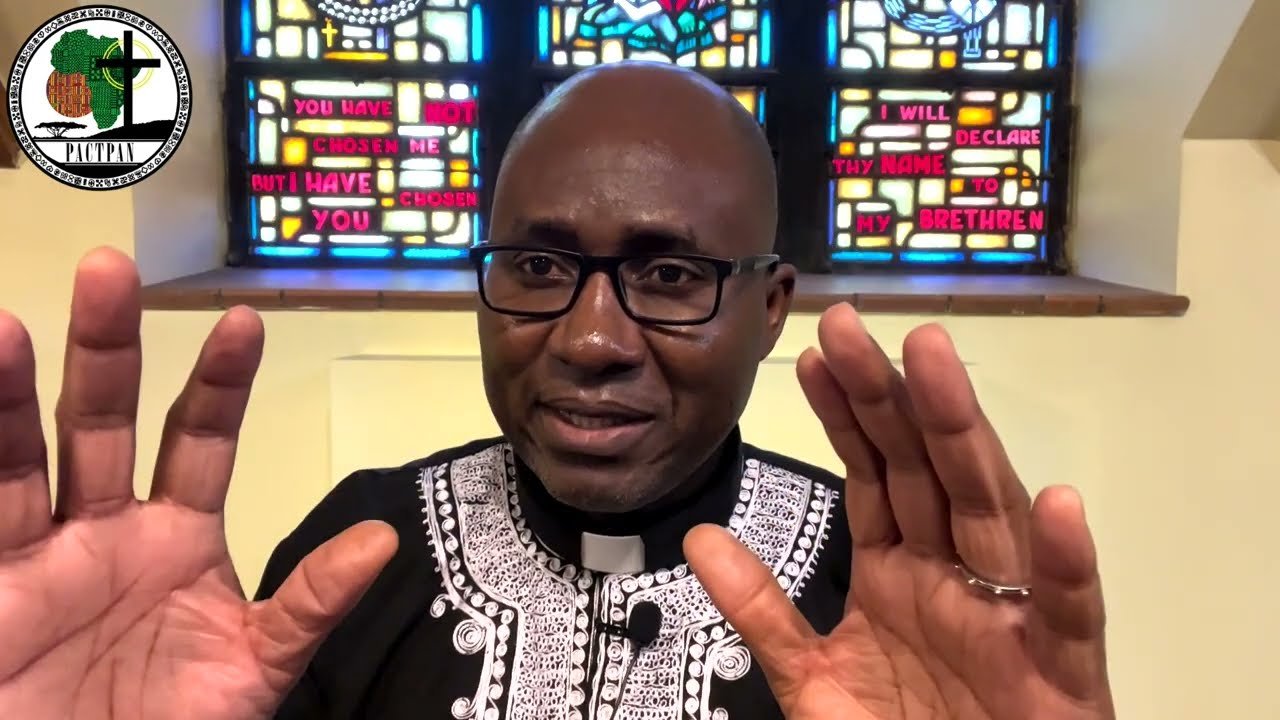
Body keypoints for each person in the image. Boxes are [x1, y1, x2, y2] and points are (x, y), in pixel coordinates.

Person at [0, 62, 1115, 719]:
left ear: (771, 306)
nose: (590, 338)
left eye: (669, 276)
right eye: (537, 265)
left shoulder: (886, 600)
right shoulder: (358, 553)